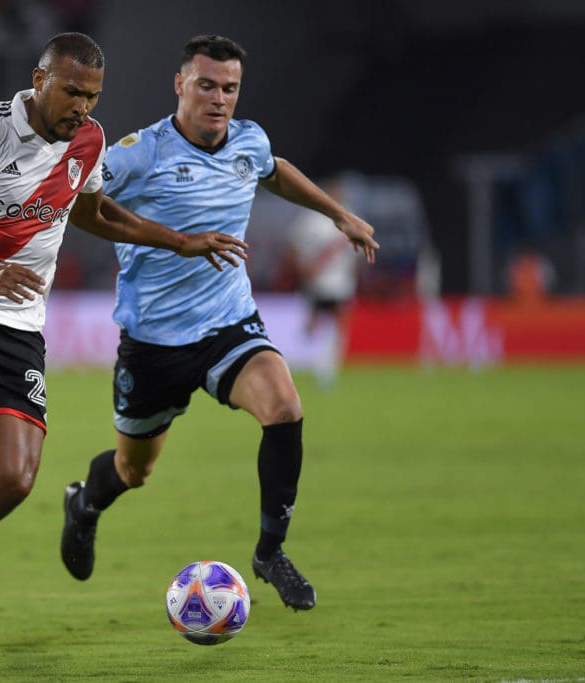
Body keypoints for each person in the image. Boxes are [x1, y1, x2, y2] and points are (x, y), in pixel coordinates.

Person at [0, 32, 248, 668]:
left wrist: (175, 240)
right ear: (40, 80)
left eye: (93, 96)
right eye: (73, 91)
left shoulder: (89, 139)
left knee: (13, 480)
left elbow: (96, 211)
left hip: (18, 328)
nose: (83, 106)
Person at [59, 35, 379, 613]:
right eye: (206, 85)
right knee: (134, 470)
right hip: (154, 341)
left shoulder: (248, 140)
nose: (219, 98)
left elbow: (272, 170)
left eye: (229, 88)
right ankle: (84, 504)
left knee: (285, 407)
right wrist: (176, 242)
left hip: (228, 324)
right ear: (180, 85)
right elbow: (85, 204)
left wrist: (339, 214)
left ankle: (269, 552)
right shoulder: (140, 153)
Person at [287, 175, 363, 388]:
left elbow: (356, 255)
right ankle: (307, 362)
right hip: (318, 283)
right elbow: (293, 250)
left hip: (342, 283)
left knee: (339, 325)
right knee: (313, 326)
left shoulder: (349, 217)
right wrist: (303, 272)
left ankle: (326, 368)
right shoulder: (311, 219)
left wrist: (356, 276)